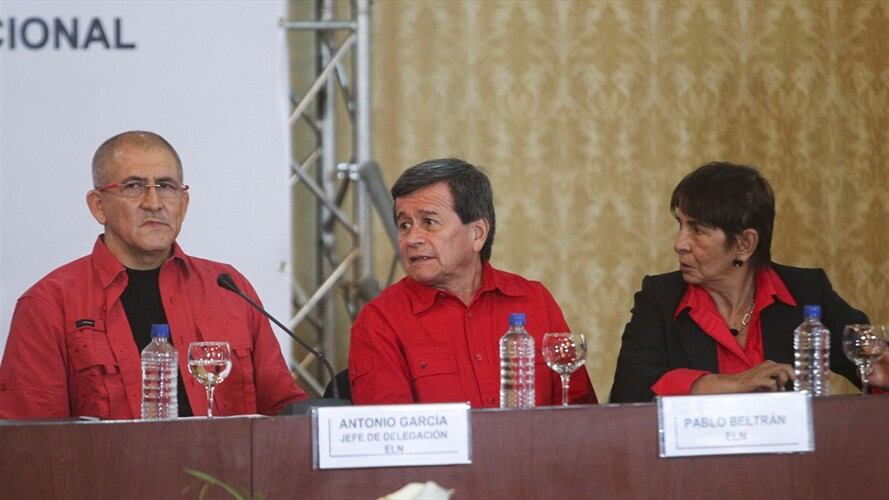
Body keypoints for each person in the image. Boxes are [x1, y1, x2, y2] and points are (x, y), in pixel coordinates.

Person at [0, 131, 306, 419]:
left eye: (166, 186)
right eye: (133, 186)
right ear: (98, 206)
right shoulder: (49, 304)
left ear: (183, 204)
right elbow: (31, 442)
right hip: (108, 475)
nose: (154, 202)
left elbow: (282, 407)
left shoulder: (228, 288)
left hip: (224, 475)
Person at [610, 162, 868, 403]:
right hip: (698, 451)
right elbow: (629, 388)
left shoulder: (806, 291)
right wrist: (729, 384)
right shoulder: (661, 296)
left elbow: (869, 361)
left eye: (697, 230)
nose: (679, 244)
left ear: (745, 244)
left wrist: (877, 370)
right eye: (680, 225)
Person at [348, 158, 597, 407]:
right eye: (404, 225)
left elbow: (580, 416)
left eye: (429, 223)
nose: (412, 239)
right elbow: (390, 436)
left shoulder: (534, 301)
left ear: (477, 233)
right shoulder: (380, 321)